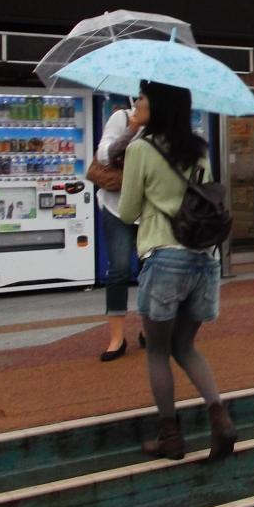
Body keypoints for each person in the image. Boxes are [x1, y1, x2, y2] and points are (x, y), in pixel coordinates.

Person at [117, 81, 235, 462]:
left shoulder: (140, 149)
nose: (138, 102)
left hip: (164, 256)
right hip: (204, 259)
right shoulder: (199, 149)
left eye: (143, 97)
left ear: (160, 105)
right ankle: (219, 417)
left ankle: (170, 437)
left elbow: (127, 212)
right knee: (185, 346)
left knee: (157, 350)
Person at [97, 98, 145, 361]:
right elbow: (103, 155)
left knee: (151, 270)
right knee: (119, 269)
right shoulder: (122, 118)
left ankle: (148, 328)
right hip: (116, 206)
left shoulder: (164, 126)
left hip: (148, 210)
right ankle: (117, 338)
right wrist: (132, 129)